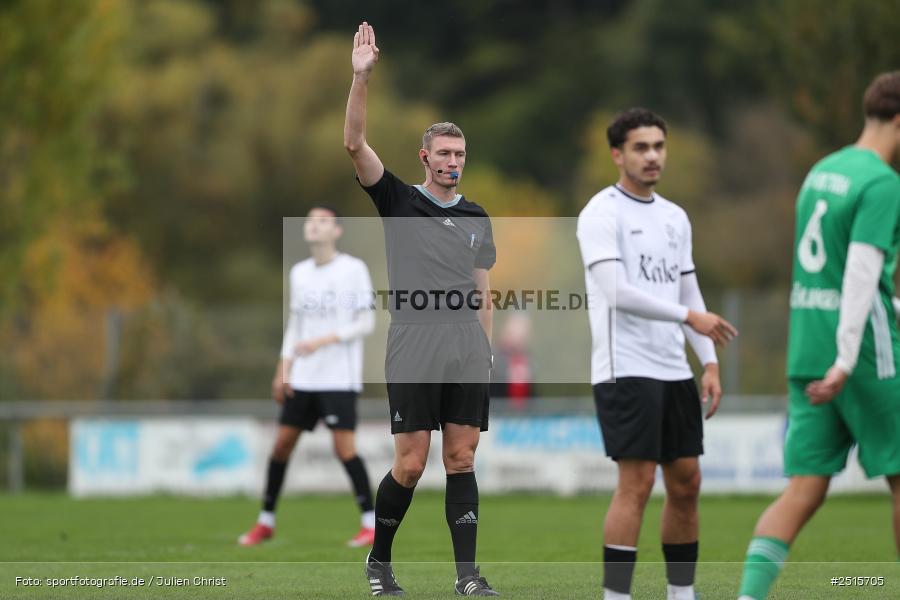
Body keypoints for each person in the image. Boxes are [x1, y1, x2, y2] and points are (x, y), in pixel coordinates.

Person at [344, 22, 499, 597]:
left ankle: (468, 577)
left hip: (464, 343)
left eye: (460, 153)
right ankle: (379, 563)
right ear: (424, 157)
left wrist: (485, 352)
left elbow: (482, 288)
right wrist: (361, 79)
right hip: (414, 338)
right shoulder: (398, 200)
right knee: (411, 463)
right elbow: (355, 145)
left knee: (462, 458)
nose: (452, 161)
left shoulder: (478, 216)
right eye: (443, 153)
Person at [737, 71, 900, 600]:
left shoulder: (822, 171)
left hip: (807, 344)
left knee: (804, 490)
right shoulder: (881, 183)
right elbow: (857, 273)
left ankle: (748, 597)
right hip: (863, 353)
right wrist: (848, 360)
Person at [576, 108, 738, 600]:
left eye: (658, 147)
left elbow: (689, 292)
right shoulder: (600, 213)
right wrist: (690, 320)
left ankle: (681, 594)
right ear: (617, 154)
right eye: (641, 147)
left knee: (687, 481)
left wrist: (707, 360)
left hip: (673, 369)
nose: (652, 156)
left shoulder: (674, 217)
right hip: (624, 366)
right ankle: (617, 596)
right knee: (638, 482)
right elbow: (617, 291)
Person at [239, 205, 377, 548]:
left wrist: (323, 340)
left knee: (344, 448)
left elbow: (366, 322)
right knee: (282, 445)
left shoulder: (353, 269)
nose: (313, 226)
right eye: (310, 221)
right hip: (304, 378)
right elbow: (296, 324)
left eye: (322, 221)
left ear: (337, 231)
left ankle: (371, 523)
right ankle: (266, 521)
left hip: (338, 378)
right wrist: (282, 367)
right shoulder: (299, 272)